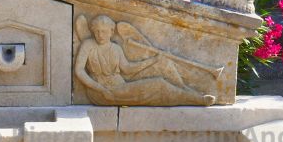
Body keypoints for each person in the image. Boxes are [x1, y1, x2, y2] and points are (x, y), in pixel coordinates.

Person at [74, 15, 215, 106]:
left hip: (119, 87)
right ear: (92, 31)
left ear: (111, 32)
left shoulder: (116, 48)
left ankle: (192, 96)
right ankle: (197, 99)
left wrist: (153, 60)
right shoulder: (88, 45)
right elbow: (79, 71)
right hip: (101, 93)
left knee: (161, 77)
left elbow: (128, 69)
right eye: (97, 31)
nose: (100, 35)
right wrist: (100, 89)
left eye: (104, 31)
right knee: (159, 85)